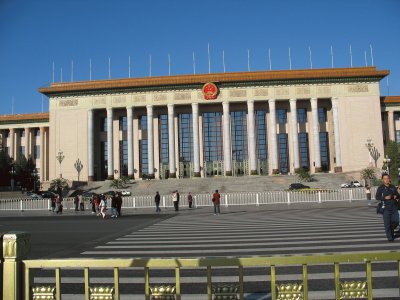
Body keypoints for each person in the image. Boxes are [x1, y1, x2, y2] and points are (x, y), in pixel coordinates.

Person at [375, 173, 400, 241]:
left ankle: (392, 229)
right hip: (385, 208)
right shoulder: (381, 188)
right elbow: (377, 197)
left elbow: (398, 195)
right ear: (383, 180)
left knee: (396, 221)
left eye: (387, 178)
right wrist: (384, 197)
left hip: (394, 207)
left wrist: (396, 196)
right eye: (385, 179)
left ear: (389, 179)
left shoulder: (393, 187)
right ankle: (390, 238)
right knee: (387, 224)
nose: (386, 180)